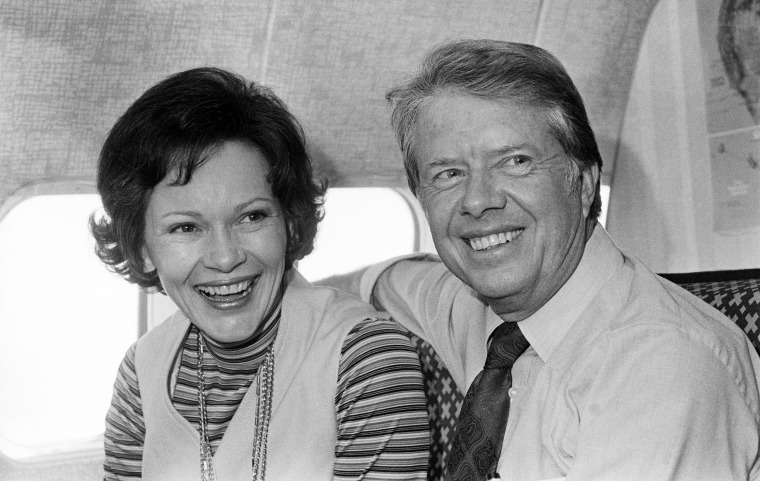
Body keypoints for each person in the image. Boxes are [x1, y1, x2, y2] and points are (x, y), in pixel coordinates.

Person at [321, 39, 760, 480]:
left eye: (515, 161)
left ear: (584, 183)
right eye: (449, 174)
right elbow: (386, 282)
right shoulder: (483, 312)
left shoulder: (659, 366)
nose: (477, 201)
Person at [90, 67, 430, 480]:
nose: (225, 257)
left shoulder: (367, 357)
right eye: (186, 227)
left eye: (252, 216)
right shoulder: (141, 372)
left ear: (289, 223)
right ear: (142, 249)